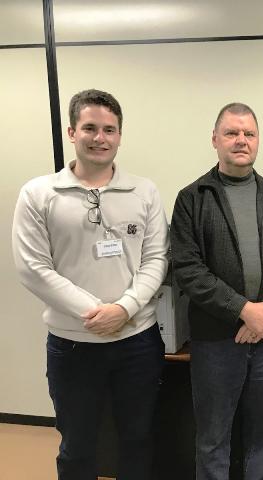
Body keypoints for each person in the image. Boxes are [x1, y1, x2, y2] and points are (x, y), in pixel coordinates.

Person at [12, 89, 169, 479]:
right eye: (90, 128)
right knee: (77, 444)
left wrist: (124, 309)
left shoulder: (144, 192)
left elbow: (156, 259)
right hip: (73, 345)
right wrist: (95, 312)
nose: (100, 138)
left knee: (138, 438)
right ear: (71, 132)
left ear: (120, 135)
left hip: (138, 341)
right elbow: (33, 268)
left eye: (109, 130)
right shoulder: (39, 194)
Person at [170, 102, 263, 480]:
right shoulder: (193, 198)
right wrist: (243, 310)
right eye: (232, 132)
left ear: (258, 140)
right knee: (214, 433)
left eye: (249, 133)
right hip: (216, 339)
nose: (241, 140)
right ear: (215, 139)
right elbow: (188, 269)